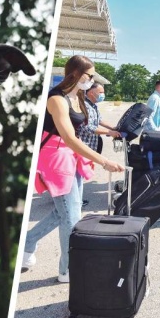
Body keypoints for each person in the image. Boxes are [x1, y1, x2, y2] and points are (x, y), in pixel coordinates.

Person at [24, 55, 124, 283]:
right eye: (90, 76)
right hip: (56, 158)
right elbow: (68, 137)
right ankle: (67, 269)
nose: (92, 80)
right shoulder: (56, 99)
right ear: (77, 74)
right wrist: (103, 161)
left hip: (72, 157)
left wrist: (110, 131)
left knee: (65, 211)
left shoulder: (77, 97)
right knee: (72, 217)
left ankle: (28, 243)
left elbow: (84, 128)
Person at [77, 82, 122, 206]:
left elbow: (99, 120)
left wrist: (113, 128)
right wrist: (109, 132)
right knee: (77, 174)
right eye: (101, 92)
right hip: (83, 144)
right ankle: (74, 201)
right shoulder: (85, 105)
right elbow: (88, 127)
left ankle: (75, 199)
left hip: (90, 143)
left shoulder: (93, 105)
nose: (103, 94)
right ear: (91, 92)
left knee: (79, 174)